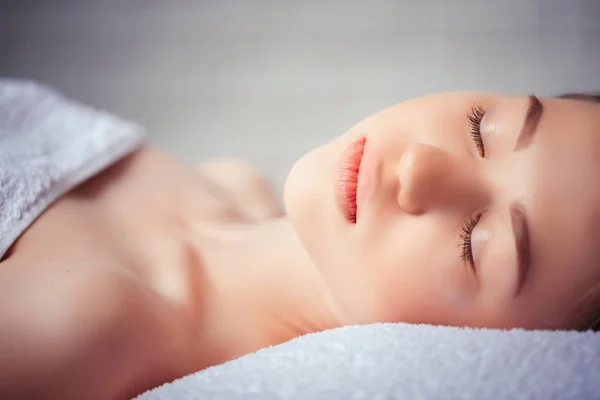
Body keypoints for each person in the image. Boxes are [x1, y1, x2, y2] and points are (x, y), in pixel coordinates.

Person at [0, 80, 599, 400]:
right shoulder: (233, 189)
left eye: (478, 243)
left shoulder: (82, 333)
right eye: (482, 128)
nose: (419, 167)